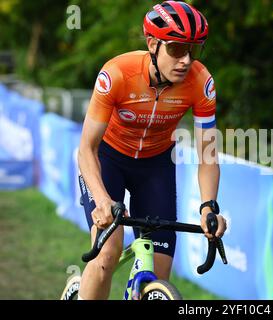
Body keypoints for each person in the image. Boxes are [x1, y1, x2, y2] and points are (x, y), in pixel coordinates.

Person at [77, 1, 227, 300]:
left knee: (159, 273)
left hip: (155, 165)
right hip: (108, 160)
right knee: (107, 255)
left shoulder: (201, 82)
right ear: (152, 44)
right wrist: (103, 200)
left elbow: (207, 155)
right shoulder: (117, 74)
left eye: (193, 50)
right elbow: (86, 149)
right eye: (176, 49)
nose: (185, 60)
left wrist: (209, 206)